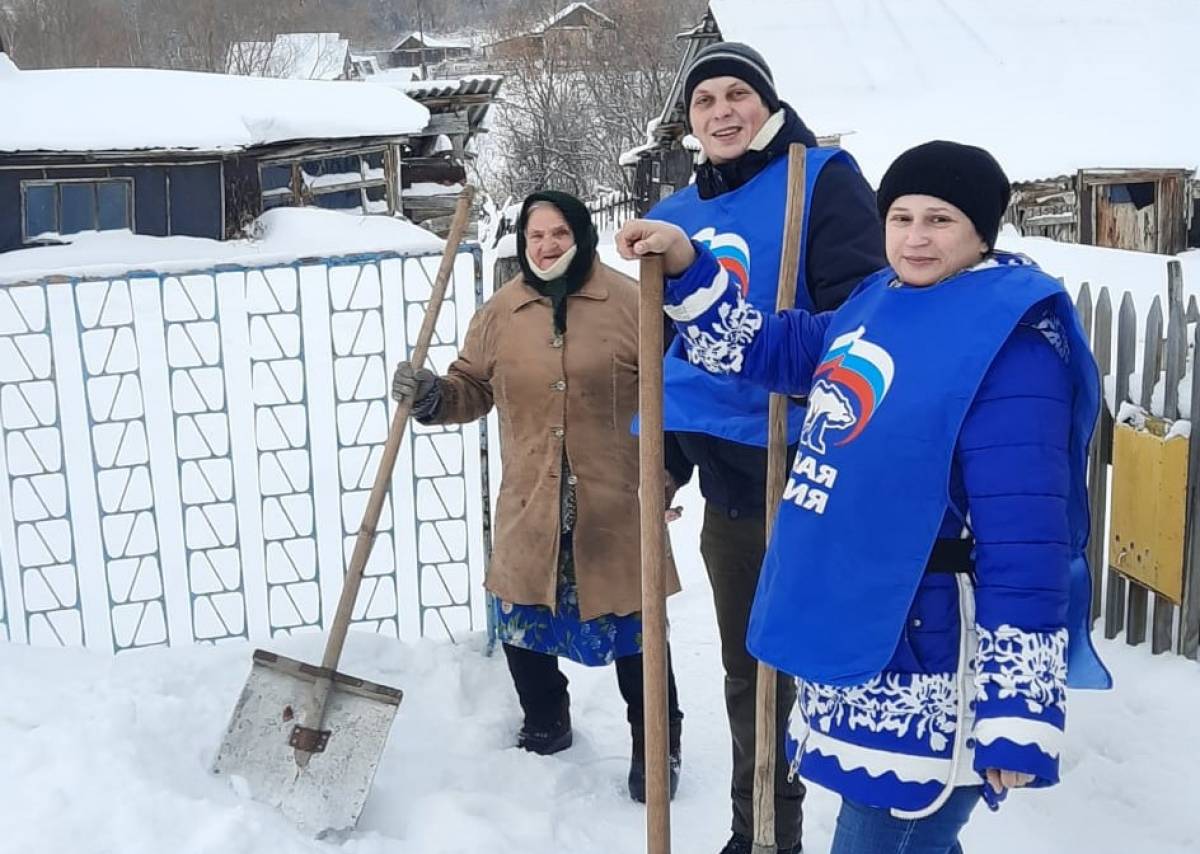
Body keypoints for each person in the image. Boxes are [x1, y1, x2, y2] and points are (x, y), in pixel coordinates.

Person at [617, 140, 1111, 853]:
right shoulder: (880, 300)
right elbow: (777, 351)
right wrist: (691, 267)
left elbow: (1026, 543)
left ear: (981, 232)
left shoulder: (1012, 345)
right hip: (875, 627)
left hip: (936, 656)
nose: (915, 237)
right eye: (901, 216)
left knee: (883, 835)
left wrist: (1017, 714)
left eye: (939, 220)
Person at [642, 40, 885, 854]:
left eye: (735, 94)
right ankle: (763, 837)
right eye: (704, 101)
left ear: (767, 105)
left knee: (846, 663)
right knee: (753, 674)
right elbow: (669, 364)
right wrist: (666, 463)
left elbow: (864, 317)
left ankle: (879, 828)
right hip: (734, 489)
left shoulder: (822, 179)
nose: (720, 111)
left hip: (816, 474)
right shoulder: (675, 216)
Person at [391, 190, 684, 803]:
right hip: (532, 498)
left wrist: (669, 476)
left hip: (614, 501)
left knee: (635, 631)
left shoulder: (633, 303)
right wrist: (432, 398)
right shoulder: (502, 311)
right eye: (534, 236)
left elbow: (677, 395)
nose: (546, 246)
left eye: (558, 234)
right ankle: (546, 721)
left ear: (581, 235)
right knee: (524, 617)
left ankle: (658, 742)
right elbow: (471, 386)